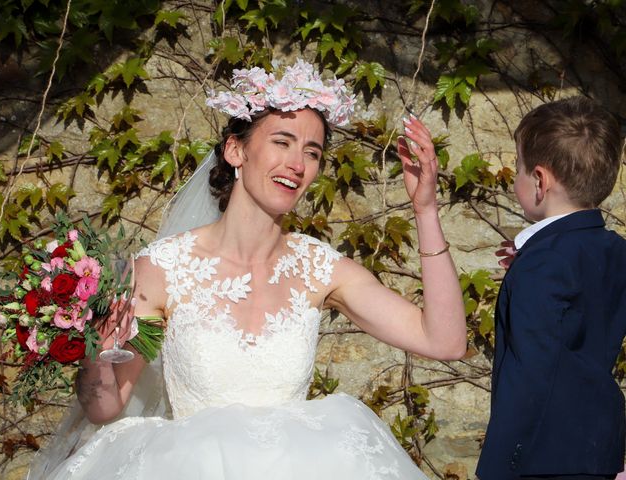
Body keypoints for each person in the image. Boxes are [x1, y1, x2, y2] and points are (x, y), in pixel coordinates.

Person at [36, 59, 466, 479]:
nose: (298, 164)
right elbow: (104, 407)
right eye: (282, 142)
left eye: (311, 152)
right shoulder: (162, 268)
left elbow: (444, 340)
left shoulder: (322, 268)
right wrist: (96, 353)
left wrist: (425, 210)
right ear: (236, 150)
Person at [477, 96, 626, 480]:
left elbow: (531, 372)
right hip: (599, 454)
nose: (515, 180)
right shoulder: (614, 251)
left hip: (540, 462)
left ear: (540, 181)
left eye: (519, 169)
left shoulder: (541, 266)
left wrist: (498, 468)